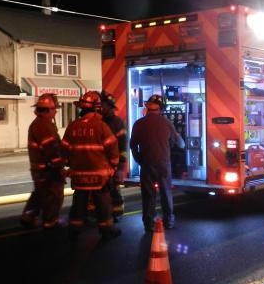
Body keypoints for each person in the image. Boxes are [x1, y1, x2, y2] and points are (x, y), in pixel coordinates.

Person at [61, 90, 121, 240]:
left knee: (79, 203)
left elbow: (64, 150)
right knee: (103, 204)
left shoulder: (72, 127)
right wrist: (113, 166)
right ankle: (107, 231)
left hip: (79, 175)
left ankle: (74, 229)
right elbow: (113, 148)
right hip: (99, 176)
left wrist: (69, 165)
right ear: (97, 108)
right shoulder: (101, 126)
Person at [129, 94, 185, 232]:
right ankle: (169, 221)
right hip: (163, 164)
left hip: (146, 164)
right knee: (166, 192)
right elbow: (181, 144)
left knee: (148, 195)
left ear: (148, 108)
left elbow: (132, 145)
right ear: (161, 108)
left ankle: (148, 223)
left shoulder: (138, 123)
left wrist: (139, 160)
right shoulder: (167, 123)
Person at [20, 93, 66, 229]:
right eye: (54, 109)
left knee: (40, 194)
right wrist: (60, 166)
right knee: (54, 195)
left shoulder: (38, 124)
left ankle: (28, 216)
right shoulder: (44, 125)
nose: (56, 111)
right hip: (48, 170)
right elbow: (51, 148)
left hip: (40, 169)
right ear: (48, 110)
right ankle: (51, 223)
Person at [99, 90, 128, 221]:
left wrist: (121, 168)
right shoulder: (97, 121)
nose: (101, 107)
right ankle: (102, 215)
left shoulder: (117, 123)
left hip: (113, 164)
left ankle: (116, 213)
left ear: (110, 107)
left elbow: (122, 146)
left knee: (114, 190)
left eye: (104, 105)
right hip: (99, 164)